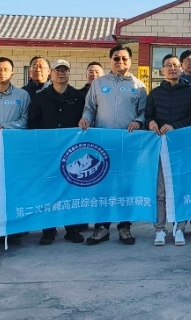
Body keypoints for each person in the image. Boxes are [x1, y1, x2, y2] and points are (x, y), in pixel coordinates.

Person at [79, 44, 147, 246]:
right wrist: (85, 118)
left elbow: (144, 112)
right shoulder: (98, 83)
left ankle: (125, 227)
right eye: (116, 58)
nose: (120, 62)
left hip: (128, 145)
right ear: (110, 61)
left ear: (130, 61)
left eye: (124, 58)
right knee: (103, 185)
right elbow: (89, 108)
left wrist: (139, 121)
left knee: (126, 185)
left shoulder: (138, 85)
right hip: (103, 145)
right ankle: (102, 227)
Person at [27, 60, 88, 245]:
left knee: (72, 190)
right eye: (57, 70)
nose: (61, 73)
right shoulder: (40, 97)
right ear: (51, 73)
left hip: (72, 153)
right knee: (48, 190)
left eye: (65, 70)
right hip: (47, 153)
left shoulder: (78, 97)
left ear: (69, 73)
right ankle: (48, 231)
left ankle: (72, 230)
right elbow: (33, 124)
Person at [145, 54, 191, 247]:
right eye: (168, 65)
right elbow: (148, 115)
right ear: (162, 70)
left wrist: (174, 126)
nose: (172, 68)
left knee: (181, 189)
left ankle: (179, 228)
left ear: (181, 69)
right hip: (160, 148)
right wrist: (151, 122)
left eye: (175, 65)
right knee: (161, 192)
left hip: (182, 147)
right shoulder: (154, 93)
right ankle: (160, 229)